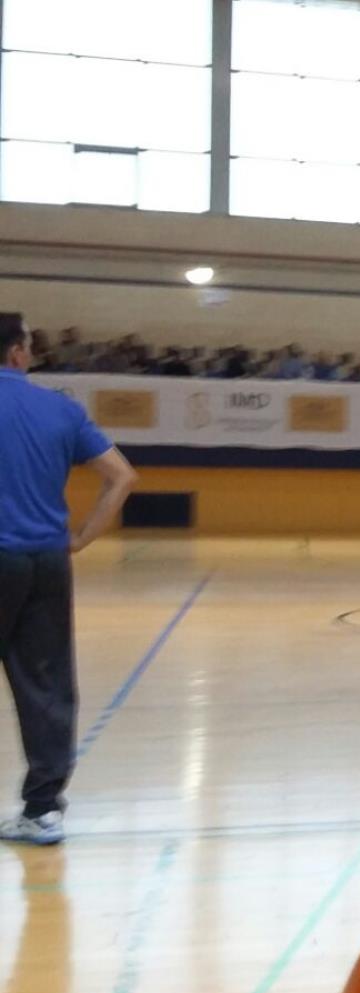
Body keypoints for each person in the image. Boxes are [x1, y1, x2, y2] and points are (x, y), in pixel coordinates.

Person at [0, 313, 138, 845]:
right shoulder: (60, 407)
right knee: (47, 686)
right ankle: (42, 811)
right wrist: (82, 537)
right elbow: (122, 476)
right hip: (46, 562)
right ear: (16, 352)